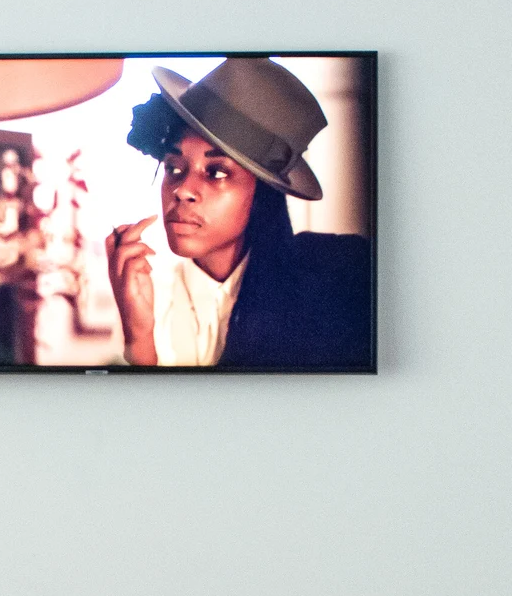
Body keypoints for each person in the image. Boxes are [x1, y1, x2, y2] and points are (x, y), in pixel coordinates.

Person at [105, 57, 373, 370]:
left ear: (262, 193)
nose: (182, 190)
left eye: (216, 172)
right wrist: (139, 340)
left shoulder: (332, 286)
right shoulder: (143, 298)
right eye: (173, 168)